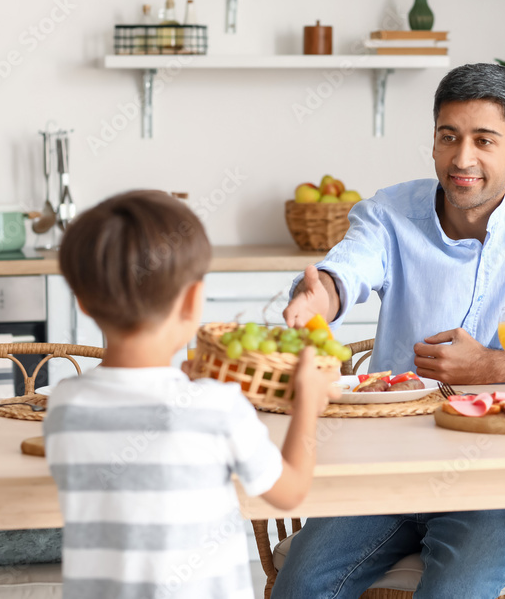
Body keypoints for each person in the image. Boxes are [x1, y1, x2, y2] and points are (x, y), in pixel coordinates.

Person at [274, 63, 505, 598]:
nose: (461, 158)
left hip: (498, 477)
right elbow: (345, 271)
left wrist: (498, 368)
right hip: (387, 466)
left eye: (483, 140)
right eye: (449, 137)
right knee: (300, 588)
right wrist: (321, 294)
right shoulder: (389, 212)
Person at [43, 190, 337, 599]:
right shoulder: (217, 407)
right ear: (193, 300)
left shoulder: (64, 404)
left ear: (83, 304)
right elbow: (289, 493)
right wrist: (307, 403)